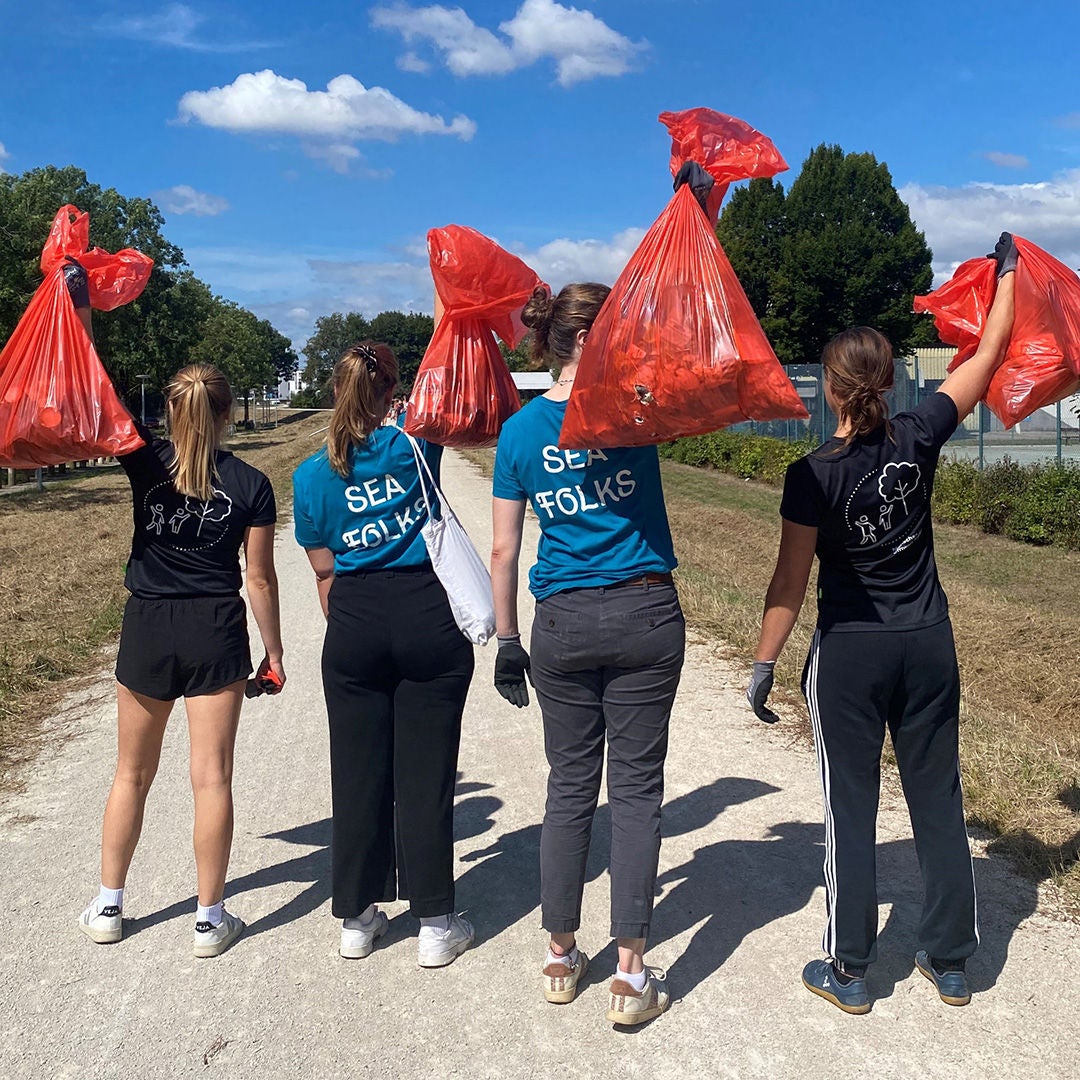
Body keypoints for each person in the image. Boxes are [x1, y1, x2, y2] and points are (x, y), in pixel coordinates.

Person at [747, 235, 1019, 1014]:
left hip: (853, 656)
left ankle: (851, 969)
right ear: (894, 379)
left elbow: (789, 582)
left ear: (829, 391)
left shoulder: (812, 475)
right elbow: (991, 349)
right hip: (928, 642)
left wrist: (764, 663)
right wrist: (1006, 273)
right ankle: (952, 960)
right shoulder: (920, 431)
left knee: (850, 806)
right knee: (939, 798)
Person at [73, 263, 285, 958]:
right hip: (215, 630)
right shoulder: (251, 485)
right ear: (227, 413)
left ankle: (109, 907)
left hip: (148, 625)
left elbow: (95, 388)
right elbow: (258, 578)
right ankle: (208, 919)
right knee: (211, 777)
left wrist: (79, 310)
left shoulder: (145, 462)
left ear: (167, 412)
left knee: (130, 773)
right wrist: (273, 651)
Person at [490, 283, 685, 1026]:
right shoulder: (639, 408)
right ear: (607, 340)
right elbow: (688, 326)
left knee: (569, 788)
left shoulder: (519, 433)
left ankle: (560, 956)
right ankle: (631, 977)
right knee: (636, 791)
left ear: (551, 341)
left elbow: (505, 547)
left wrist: (508, 642)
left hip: (563, 621)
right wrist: (702, 216)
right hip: (643, 611)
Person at [291, 341, 475, 967]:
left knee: (358, 771)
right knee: (426, 773)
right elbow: (449, 375)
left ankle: (356, 917)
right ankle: (435, 923)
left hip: (355, 617)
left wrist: (353, 626)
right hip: (424, 608)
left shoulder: (311, 475)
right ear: (392, 391)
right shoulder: (414, 446)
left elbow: (323, 571)